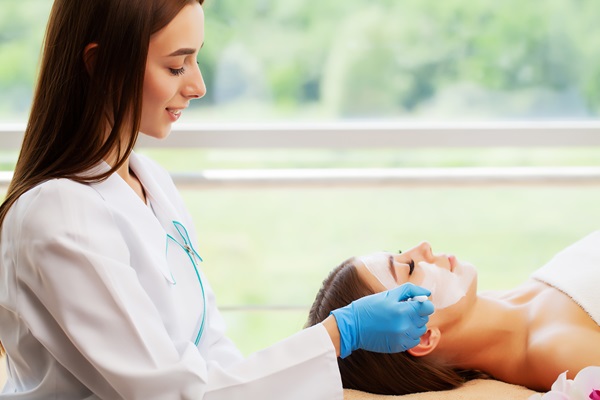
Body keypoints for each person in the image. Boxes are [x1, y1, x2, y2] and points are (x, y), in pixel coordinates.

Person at [0, 1, 435, 399]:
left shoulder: (152, 182)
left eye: (196, 58)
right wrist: (340, 333)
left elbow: (215, 356)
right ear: (99, 64)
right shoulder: (57, 214)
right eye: (176, 66)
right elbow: (171, 393)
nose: (198, 85)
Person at [306, 232, 600, 395]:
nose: (424, 246)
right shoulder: (558, 349)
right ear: (420, 337)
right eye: (408, 266)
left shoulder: (526, 294)